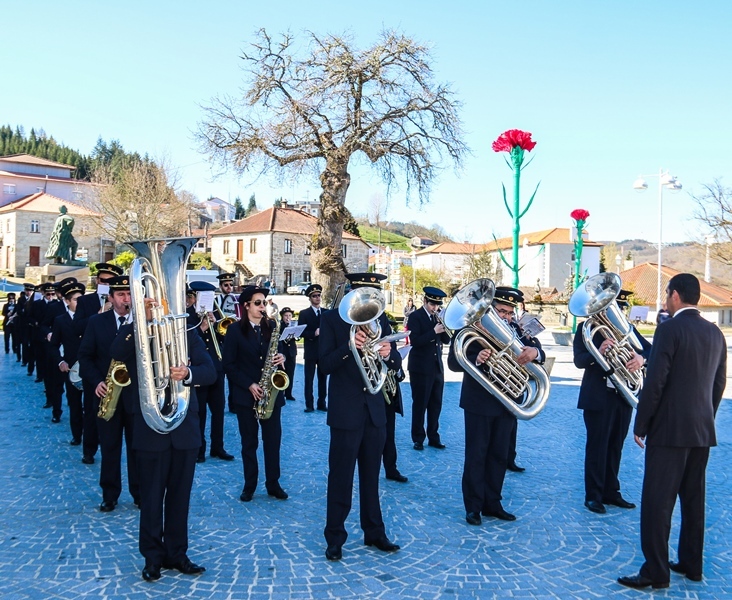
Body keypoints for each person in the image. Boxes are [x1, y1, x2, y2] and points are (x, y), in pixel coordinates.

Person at [618, 274, 727, 590]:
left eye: (667, 294)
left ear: (676, 295)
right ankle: (692, 565)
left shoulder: (669, 329)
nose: (666, 299)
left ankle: (656, 572)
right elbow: (718, 384)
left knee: (657, 503)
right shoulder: (715, 333)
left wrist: (641, 424)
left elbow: (656, 382)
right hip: (701, 431)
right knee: (694, 501)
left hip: (669, 432)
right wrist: (705, 417)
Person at [111, 298, 216, 582]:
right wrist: (137, 319)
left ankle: (177, 554)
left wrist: (188, 373)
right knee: (152, 498)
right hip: (149, 427)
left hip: (184, 429)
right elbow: (116, 351)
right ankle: (152, 557)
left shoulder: (187, 332)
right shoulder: (136, 332)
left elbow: (210, 370)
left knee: (180, 499)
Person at [320, 272, 402, 561]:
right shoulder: (331, 320)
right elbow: (323, 365)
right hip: (346, 413)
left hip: (375, 411)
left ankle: (374, 532)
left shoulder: (380, 320)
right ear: (353, 293)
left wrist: (389, 353)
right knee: (340, 477)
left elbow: (396, 364)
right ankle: (335, 537)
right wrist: (348, 347)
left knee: (371, 477)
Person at [448, 287, 545, 526]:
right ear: (490, 309)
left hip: (507, 402)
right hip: (479, 402)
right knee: (477, 455)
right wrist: (476, 358)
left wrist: (536, 352)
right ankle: (473, 507)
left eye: (510, 313)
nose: (506, 317)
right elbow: (452, 363)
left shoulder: (515, 331)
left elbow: (536, 349)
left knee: (499, 456)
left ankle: (493, 502)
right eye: (502, 311)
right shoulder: (468, 329)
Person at [574, 288, 651, 515]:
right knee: (597, 447)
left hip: (623, 396)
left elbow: (651, 351)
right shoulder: (588, 329)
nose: (618, 313)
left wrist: (641, 358)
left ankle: (611, 492)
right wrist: (598, 352)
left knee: (615, 446)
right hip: (598, 397)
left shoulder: (629, 330)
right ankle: (594, 495)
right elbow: (579, 360)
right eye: (613, 309)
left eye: (620, 309)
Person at [78, 275, 139, 508]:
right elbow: (85, 356)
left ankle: (139, 493)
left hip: (134, 396)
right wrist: (96, 382)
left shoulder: (142, 324)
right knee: (110, 448)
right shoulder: (96, 321)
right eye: (121, 295)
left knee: (137, 448)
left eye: (129, 294)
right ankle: (109, 495)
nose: (126, 299)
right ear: (111, 298)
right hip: (107, 394)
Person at [222, 285, 288, 502]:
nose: (262, 307)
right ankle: (249, 485)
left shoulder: (273, 326)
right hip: (246, 395)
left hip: (271, 394)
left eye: (264, 303)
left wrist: (282, 358)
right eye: (258, 303)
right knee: (249, 443)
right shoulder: (234, 330)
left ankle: (273, 483)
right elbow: (229, 365)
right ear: (246, 306)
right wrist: (249, 384)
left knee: (273, 441)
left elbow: (281, 352)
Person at [188, 281, 234, 463]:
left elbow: (225, 337)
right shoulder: (189, 316)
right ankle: (199, 449)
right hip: (199, 370)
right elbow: (187, 339)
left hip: (217, 368)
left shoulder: (215, 315)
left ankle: (218, 447)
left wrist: (216, 325)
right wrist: (202, 328)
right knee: (199, 412)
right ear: (195, 297)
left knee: (218, 410)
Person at [407, 286, 450, 450]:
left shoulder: (437, 318)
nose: (435, 308)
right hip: (420, 368)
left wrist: (445, 326)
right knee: (420, 403)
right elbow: (415, 341)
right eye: (432, 304)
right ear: (425, 301)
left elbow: (446, 340)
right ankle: (418, 438)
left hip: (437, 367)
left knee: (435, 404)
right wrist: (433, 331)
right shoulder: (415, 317)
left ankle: (434, 436)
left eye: (437, 305)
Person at [49, 280, 86, 446]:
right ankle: (77, 435)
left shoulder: (91, 318)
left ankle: (93, 437)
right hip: (71, 369)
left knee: (92, 405)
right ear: (67, 301)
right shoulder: (60, 320)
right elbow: (54, 346)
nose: (79, 303)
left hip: (90, 367)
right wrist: (60, 361)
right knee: (75, 404)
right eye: (76, 300)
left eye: (81, 299)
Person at [298, 283, 328, 412]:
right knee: (309, 379)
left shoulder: (326, 313)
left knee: (323, 380)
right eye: (314, 296)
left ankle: (322, 403)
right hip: (310, 351)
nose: (317, 298)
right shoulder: (304, 313)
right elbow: (300, 332)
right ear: (310, 298)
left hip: (323, 351)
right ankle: (309, 405)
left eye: (319, 295)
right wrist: (313, 333)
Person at [279, 307, 298, 401]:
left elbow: (297, 337)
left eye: (289, 315)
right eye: (286, 315)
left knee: (291, 372)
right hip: (283, 352)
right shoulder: (279, 326)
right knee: (282, 372)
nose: (288, 317)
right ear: (282, 316)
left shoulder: (293, 325)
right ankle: (281, 392)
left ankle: (289, 393)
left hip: (292, 352)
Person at [2, 292, 18, 356]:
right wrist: (7, 314)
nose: (11, 299)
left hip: (14, 324)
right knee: (6, 337)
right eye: (10, 298)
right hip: (7, 324)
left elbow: (18, 313)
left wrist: (14, 316)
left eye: (12, 298)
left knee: (15, 337)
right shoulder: (6, 305)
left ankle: (15, 349)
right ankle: (7, 349)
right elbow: (3, 313)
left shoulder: (16, 305)